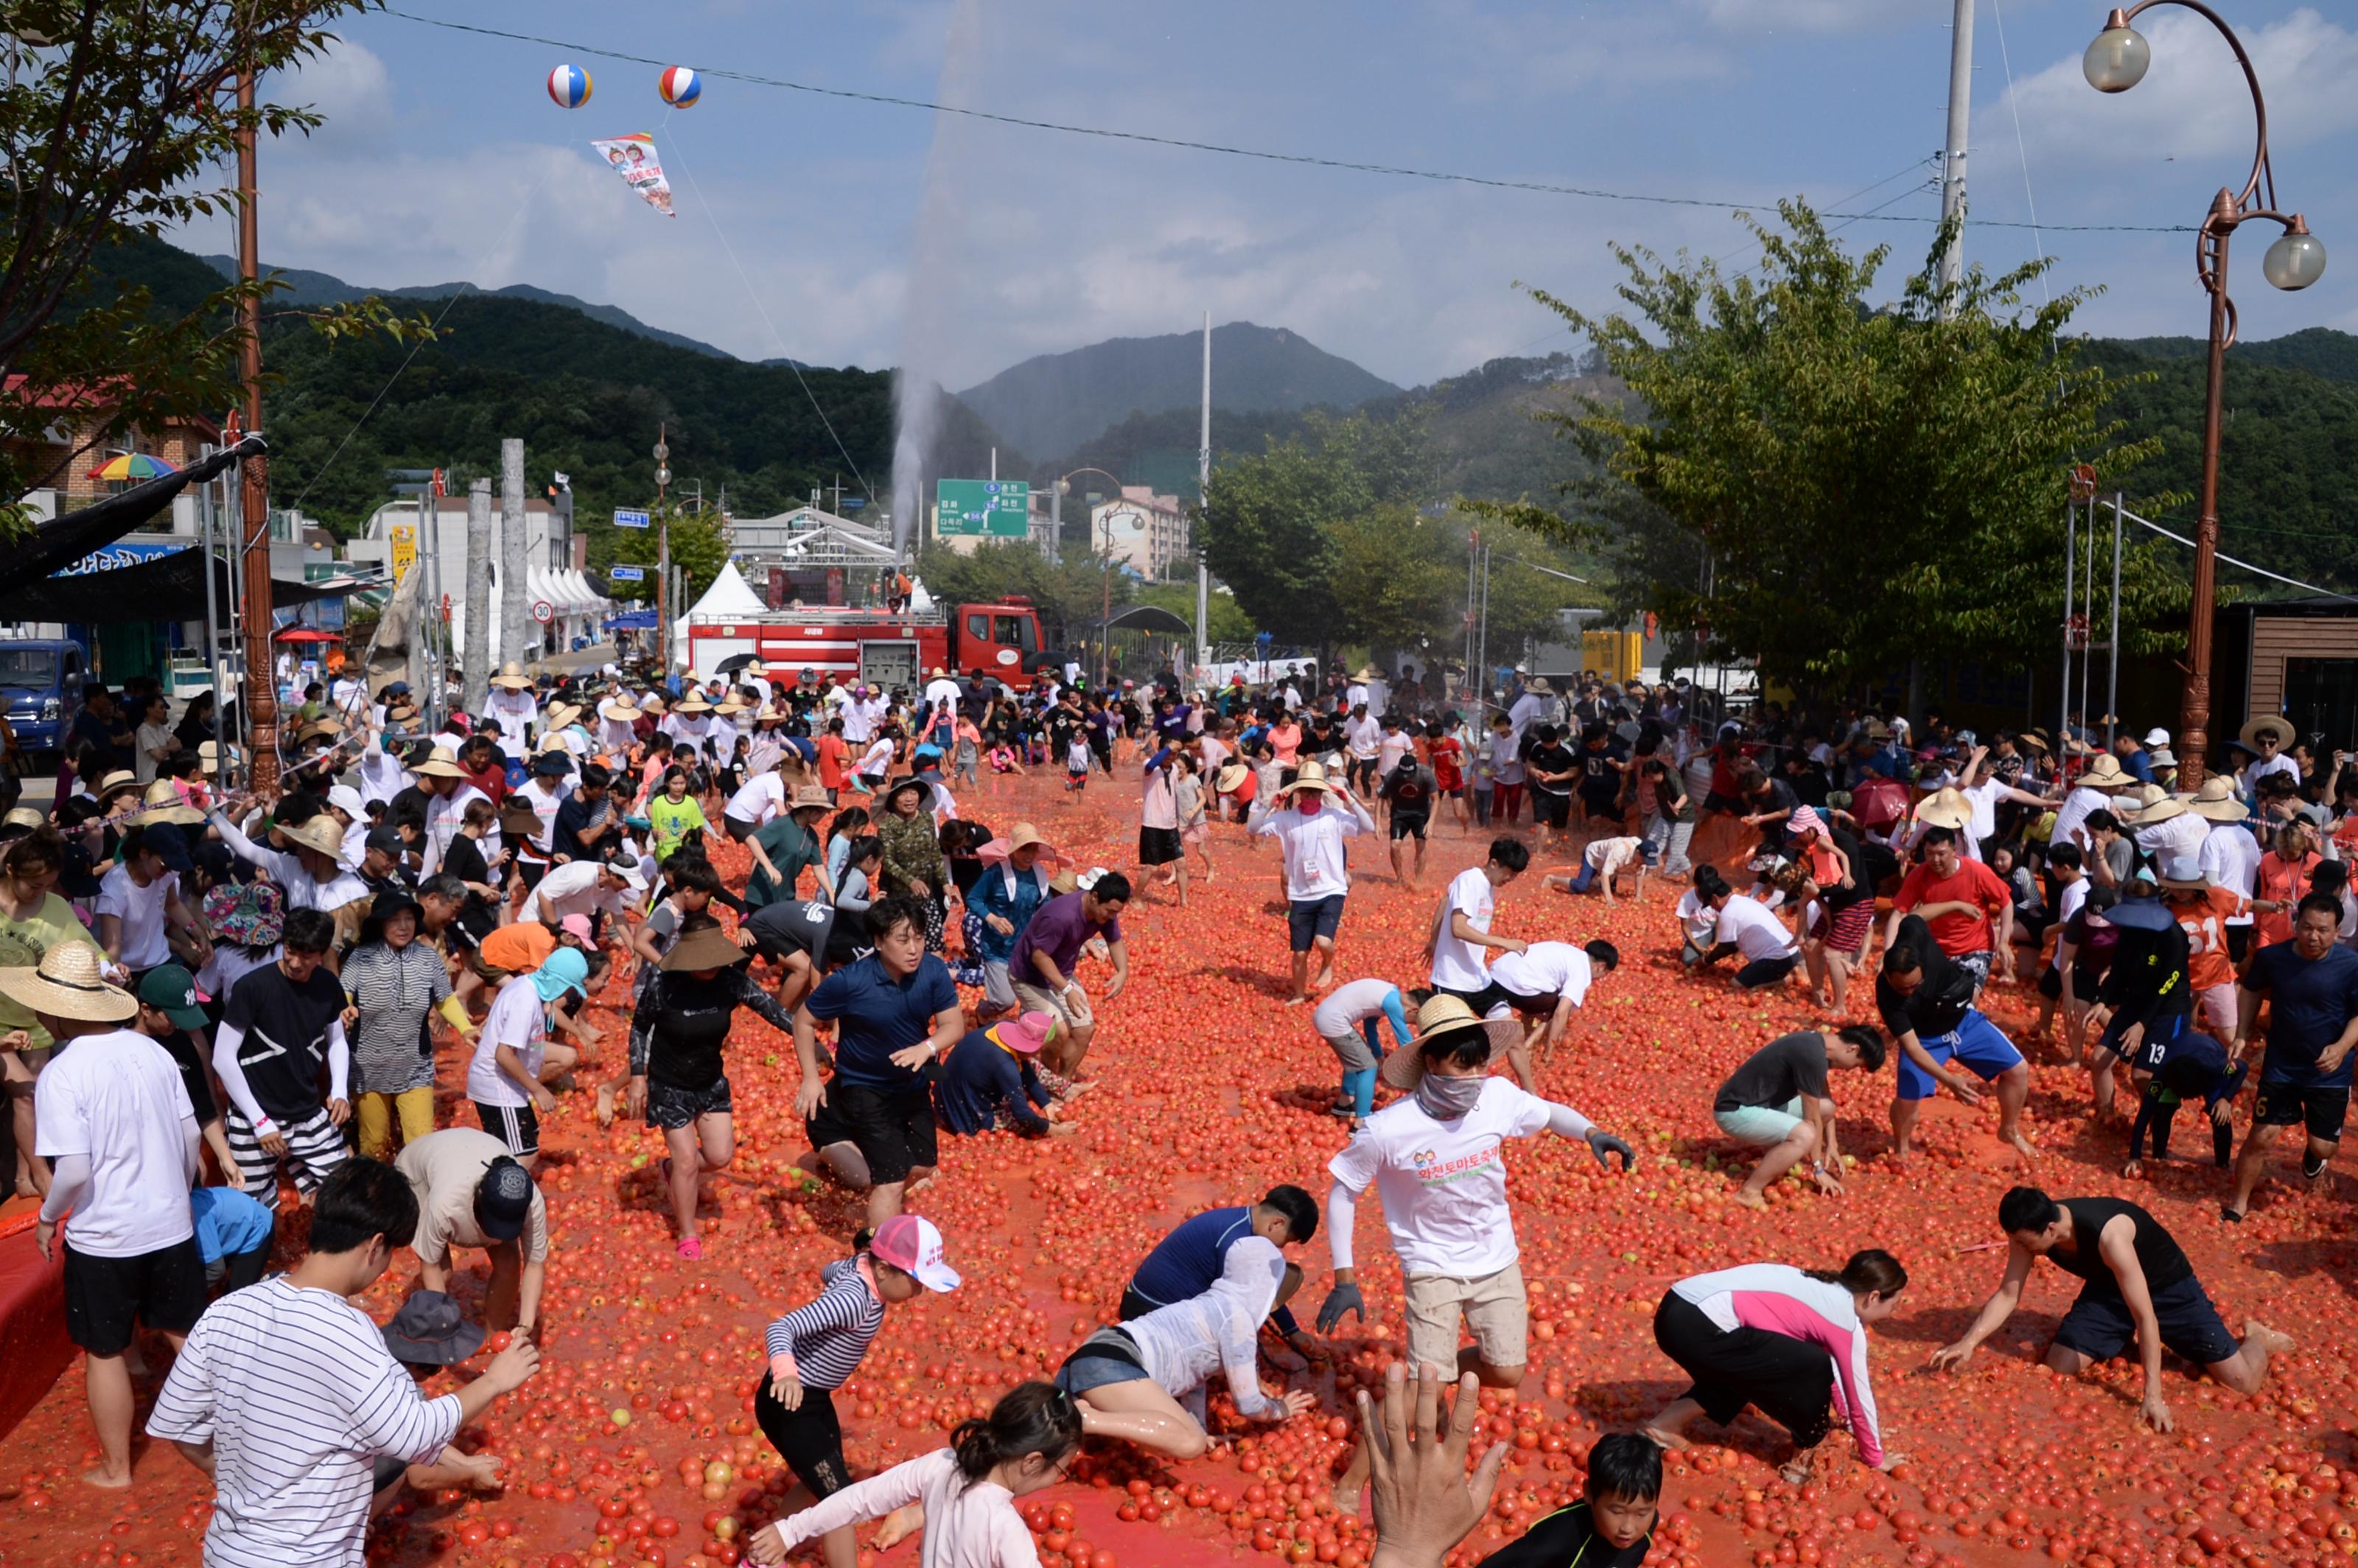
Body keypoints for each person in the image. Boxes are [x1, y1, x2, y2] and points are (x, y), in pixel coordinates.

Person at [1321, 997, 1632, 1513]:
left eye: (1481, 1063)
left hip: (1496, 1257)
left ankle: (1437, 1371)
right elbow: (1342, 1191)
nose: (1474, 1076)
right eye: (1463, 1064)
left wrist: (1593, 1132)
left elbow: (1549, 1112)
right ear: (1431, 1064)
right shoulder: (1387, 1130)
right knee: (1425, 1392)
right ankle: (1354, 1481)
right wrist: (1345, 1275)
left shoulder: (1498, 1097)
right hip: (1432, 1265)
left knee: (1506, 1371)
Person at [147, 1159, 542, 1565]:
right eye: (389, 1253)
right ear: (374, 1246)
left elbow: (181, 1428)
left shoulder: (226, 1311)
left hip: (226, 1553)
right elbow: (413, 1436)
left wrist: (247, 1486)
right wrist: (494, 1381)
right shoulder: (350, 1333)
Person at [7, 945, 201, 1491]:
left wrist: (48, 1218)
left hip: (106, 1235)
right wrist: (176, 1191)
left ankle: (118, 1469)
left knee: (105, 1350)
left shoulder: (63, 1073)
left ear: (58, 1011)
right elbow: (189, 1137)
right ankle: (234, 1438)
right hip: (171, 1223)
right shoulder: (153, 1052)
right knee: (184, 1332)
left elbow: (72, 1170)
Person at [1931, 1186, 2293, 1433]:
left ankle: (2257, 1336)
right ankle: (2114, 1337)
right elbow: (2009, 1295)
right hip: (2109, 1287)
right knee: (2059, 1367)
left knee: (2243, 1383)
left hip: (2167, 1288)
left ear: (2051, 1228)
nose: (2019, 1248)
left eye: (2024, 1242)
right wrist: (1969, 1342)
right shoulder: (2030, 1230)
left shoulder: (2109, 1236)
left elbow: (2146, 1315)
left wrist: (2152, 1395)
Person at [755, 1218, 960, 1568]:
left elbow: (828, 1270)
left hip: (815, 1399)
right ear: (883, 1269)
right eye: (916, 1282)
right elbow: (781, 1326)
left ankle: (763, 1555)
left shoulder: (860, 1268)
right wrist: (787, 1374)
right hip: (789, 1402)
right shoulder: (853, 1299)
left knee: (817, 1482)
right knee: (841, 1501)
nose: (920, 1292)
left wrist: (864, 1251)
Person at [746, 1380, 1079, 1568]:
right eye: (1061, 1471)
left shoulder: (942, 1466)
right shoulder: (1006, 1528)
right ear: (1033, 1461)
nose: (1057, 1479)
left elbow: (860, 1500)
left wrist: (790, 1530)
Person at [1054, 1221, 1315, 1460]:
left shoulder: (1209, 1302)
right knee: (1190, 1445)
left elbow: (1195, 1379)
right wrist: (1281, 1409)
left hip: (1098, 1352)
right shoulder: (1239, 1323)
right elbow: (1249, 1404)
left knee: (1192, 1435)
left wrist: (1199, 1427)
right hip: (1115, 1367)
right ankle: (1088, 1419)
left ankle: (1083, 1408)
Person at [1645, 1250, 1908, 1483]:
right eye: (1893, 1305)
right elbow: (1857, 1394)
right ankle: (1802, 1455)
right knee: (1808, 1364)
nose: (1892, 1314)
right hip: (1697, 1324)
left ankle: (1664, 1426)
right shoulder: (1845, 1320)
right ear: (1873, 1297)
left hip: (1675, 1309)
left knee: (1755, 1368)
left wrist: (1850, 1422)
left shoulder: (1825, 1288)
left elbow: (1838, 1371)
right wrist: (1875, 1457)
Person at [632, 917, 800, 1257]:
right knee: (688, 1163)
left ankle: (672, 1170)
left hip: (710, 1082)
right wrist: (638, 1076)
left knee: (720, 1156)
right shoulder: (663, 986)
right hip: (669, 1084)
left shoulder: (731, 981)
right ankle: (688, 1233)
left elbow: (773, 1011)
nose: (711, 966)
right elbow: (639, 1028)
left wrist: (809, 1040)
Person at [794, 897, 965, 1231]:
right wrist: (811, 1079)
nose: (913, 948)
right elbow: (802, 1022)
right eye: (902, 940)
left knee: (925, 1165)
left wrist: (926, 1048)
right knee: (890, 1179)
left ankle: (871, 1208)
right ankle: (878, 1259)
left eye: (918, 937)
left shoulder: (932, 971)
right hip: (864, 1087)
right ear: (878, 941)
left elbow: (954, 1026)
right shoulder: (850, 981)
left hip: (912, 1084)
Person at [2223, 891, 2358, 1222]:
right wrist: (2242, 1032)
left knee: (2324, 1146)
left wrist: (2341, 1048)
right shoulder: (2272, 958)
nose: (2314, 936)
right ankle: (2238, 1204)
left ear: (2338, 930)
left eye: (2323, 930)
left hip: (2330, 1070)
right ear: (2296, 924)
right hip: (2282, 1065)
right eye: (2308, 927)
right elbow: (2252, 988)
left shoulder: (2352, 966)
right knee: (2262, 1134)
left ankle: (2315, 1157)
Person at [213, 907, 352, 1208]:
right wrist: (260, 1122)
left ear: (321, 954)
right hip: (253, 1117)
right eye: (290, 950)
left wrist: (340, 1091)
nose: (295, 962)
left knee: (346, 1195)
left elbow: (337, 1039)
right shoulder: (252, 987)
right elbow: (222, 1057)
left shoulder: (328, 985)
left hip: (307, 1112)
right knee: (247, 1209)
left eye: (306, 955)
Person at [1877, 912, 2034, 1162]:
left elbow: (1919, 911)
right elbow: (1912, 1047)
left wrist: (1958, 905)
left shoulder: (1915, 932)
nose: (1909, 992)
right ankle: (1902, 1148)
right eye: (1902, 988)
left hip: (1963, 1021)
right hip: (1925, 1039)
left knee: (2018, 1070)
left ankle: (2009, 1129)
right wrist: (1950, 1081)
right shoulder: (1888, 997)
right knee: (1907, 1100)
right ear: (1887, 976)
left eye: (1915, 985)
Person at [342, 890, 472, 1161]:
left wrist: (466, 1028)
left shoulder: (428, 958)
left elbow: (445, 999)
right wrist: (345, 1008)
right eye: (395, 920)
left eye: (409, 919)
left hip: (416, 1065)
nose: (403, 927)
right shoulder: (360, 958)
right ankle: (374, 1196)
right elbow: (344, 995)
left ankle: (418, 1198)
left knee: (420, 1142)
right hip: (369, 1068)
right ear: (380, 924)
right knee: (374, 1142)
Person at [394, 1127, 548, 1338]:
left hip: (469, 1150)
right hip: (417, 1171)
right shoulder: (445, 1205)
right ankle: (421, 1326)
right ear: (478, 1201)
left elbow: (534, 1263)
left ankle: (492, 1335)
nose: (498, 1238)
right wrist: (443, 1327)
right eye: (494, 1225)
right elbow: (430, 1265)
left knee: (509, 1263)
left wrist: (525, 1325)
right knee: (444, 1273)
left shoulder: (531, 1202)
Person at [1712, 1026, 1886, 1209]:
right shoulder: (1811, 1056)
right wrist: (1818, 1168)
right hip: (1734, 1112)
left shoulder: (1817, 1045)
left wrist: (1832, 1145)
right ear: (1853, 1049)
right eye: (1857, 1065)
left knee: (1826, 1107)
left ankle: (1778, 1154)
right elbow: (1811, 1119)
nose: (1850, 1071)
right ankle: (1748, 1192)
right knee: (1805, 1135)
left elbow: (1824, 1102)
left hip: (1759, 1105)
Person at [1248, 760, 1377, 1004]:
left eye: (1315, 791)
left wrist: (1349, 798)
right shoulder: (1285, 819)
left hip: (1331, 889)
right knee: (1299, 953)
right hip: (1300, 893)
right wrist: (1269, 805)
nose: (1309, 796)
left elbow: (1368, 827)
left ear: (1321, 793)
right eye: (1305, 791)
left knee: (1323, 941)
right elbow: (1253, 829)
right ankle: (1298, 994)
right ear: (1297, 792)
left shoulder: (1335, 817)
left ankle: (1328, 961)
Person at [469, 948, 588, 1169]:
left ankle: (495, 1189)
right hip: (497, 1085)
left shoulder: (526, 984)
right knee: (525, 1155)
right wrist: (538, 1089)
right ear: (559, 982)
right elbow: (503, 1055)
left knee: (525, 1138)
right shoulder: (526, 1002)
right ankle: (500, 1198)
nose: (566, 996)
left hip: (505, 1084)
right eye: (569, 989)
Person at [1009, 871, 1131, 1081]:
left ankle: (1062, 1082)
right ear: (1094, 897)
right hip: (1028, 976)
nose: (1111, 917)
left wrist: (1122, 971)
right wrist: (1067, 990)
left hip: (1061, 973)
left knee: (1085, 1030)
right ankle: (1045, 1081)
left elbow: (1115, 941)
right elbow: (1039, 957)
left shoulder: (1105, 913)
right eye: (1109, 911)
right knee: (1060, 1031)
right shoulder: (1062, 916)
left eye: (1115, 913)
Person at [1474, 1432, 1659, 1568]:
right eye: (1617, 1512)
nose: (1628, 1527)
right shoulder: (1557, 1538)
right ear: (1588, 1493)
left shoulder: (1649, 1523)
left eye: (1642, 1513)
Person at [1480, 939, 1621, 1091]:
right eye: (1605, 974)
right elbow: (1561, 1013)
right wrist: (1549, 1051)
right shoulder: (1582, 971)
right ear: (1601, 967)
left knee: (1543, 994)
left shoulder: (1569, 952)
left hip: (1492, 977)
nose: (1601, 979)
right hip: (1517, 988)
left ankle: (1528, 1039)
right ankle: (1529, 1045)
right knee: (1565, 1006)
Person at [965, 822, 1057, 1021]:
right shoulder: (996, 873)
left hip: (1024, 948)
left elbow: (1044, 907)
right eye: (1024, 849)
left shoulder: (1039, 875)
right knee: (1004, 1001)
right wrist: (993, 919)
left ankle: (1025, 1036)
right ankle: (983, 1011)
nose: (1029, 855)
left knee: (1032, 1000)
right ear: (1013, 850)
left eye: (1033, 849)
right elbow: (973, 899)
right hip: (997, 947)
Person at [931, 1009, 1070, 1139]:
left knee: (1032, 1065)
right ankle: (1066, 1091)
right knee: (1023, 1122)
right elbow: (1023, 1116)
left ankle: (1066, 1090)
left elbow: (1025, 1067)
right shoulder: (1005, 1066)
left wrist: (1046, 1104)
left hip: (945, 1097)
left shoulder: (1002, 1028)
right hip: (963, 1115)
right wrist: (1056, 1130)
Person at [1427, 837, 1531, 1008]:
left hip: (1476, 977)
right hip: (1451, 979)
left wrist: (1433, 940)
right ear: (1494, 864)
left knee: (1507, 1025)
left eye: (1515, 875)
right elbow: (1459, 928)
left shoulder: (1488, 887)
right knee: (1459, 1033)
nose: (1511, 879)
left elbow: (1446, 901)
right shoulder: (1469, 880)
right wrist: (1503, 942)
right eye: (1510, 873)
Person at [1312, 977, 1415, 1126]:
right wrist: (1417, 1077)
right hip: (1334, 1021)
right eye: (1413, 1021)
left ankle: (1345, 1103)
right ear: (1414, 1010)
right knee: (1368, 1067)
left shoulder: (1389, 992)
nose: (1409, 1023)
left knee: (1359, 1058)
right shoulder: (1394, 1004)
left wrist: (1378, 1053)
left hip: (1327, 1015)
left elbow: (1370, 1026)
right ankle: (1362, 1122)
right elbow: (1406, 1044)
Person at [1692, 881, 1801, 991]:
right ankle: (1784, 971)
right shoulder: (1745, 901)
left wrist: (1705, 961)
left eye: (1711, 905)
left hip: (1778, 958)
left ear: (1715, 898)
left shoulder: (1728, 912)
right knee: (1744, 974)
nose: (1714, 908)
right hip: (1792, 952)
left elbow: (1727, 947)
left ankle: (1784, 980)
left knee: (1736, 984)